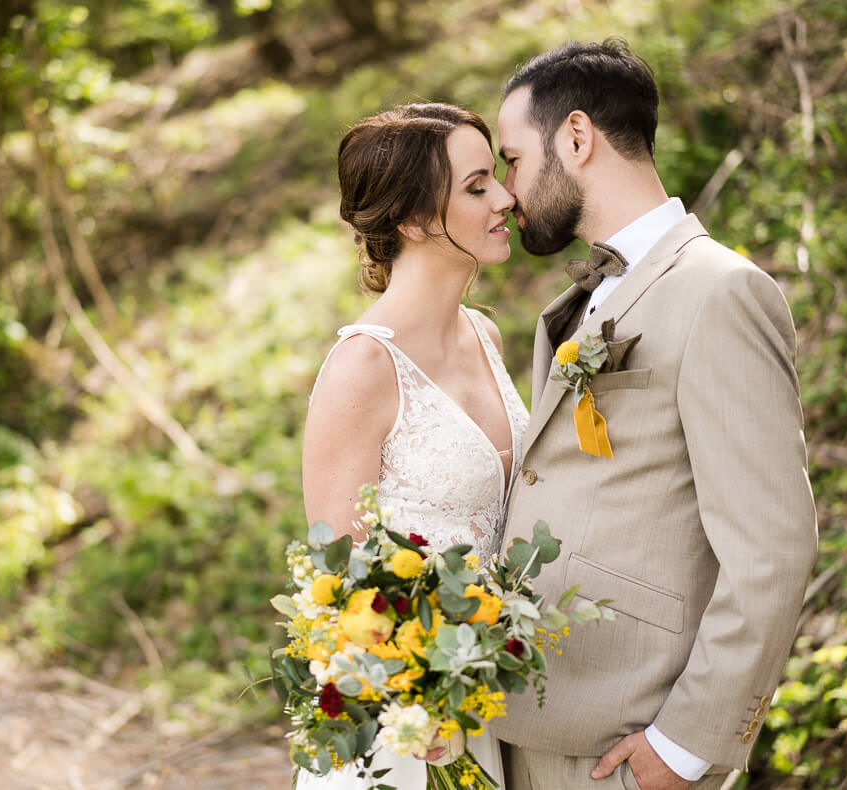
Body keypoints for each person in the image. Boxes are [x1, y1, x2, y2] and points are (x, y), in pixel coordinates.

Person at [491, 39, 818, 790]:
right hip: (531, 720)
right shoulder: (573, 304)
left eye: (511, 159)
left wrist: (686, 745)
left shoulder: (719, 291)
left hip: (629, 741)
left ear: (575, 138)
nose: (507, 192)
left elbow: (771, 546)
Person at [299, 102, 529, 788]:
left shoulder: (484, 335)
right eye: (478, 185)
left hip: (490, 698)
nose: (507, 198)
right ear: (413, 220)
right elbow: (336, 576)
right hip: (401, 720)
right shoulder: (362, 367)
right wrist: (414, 697)